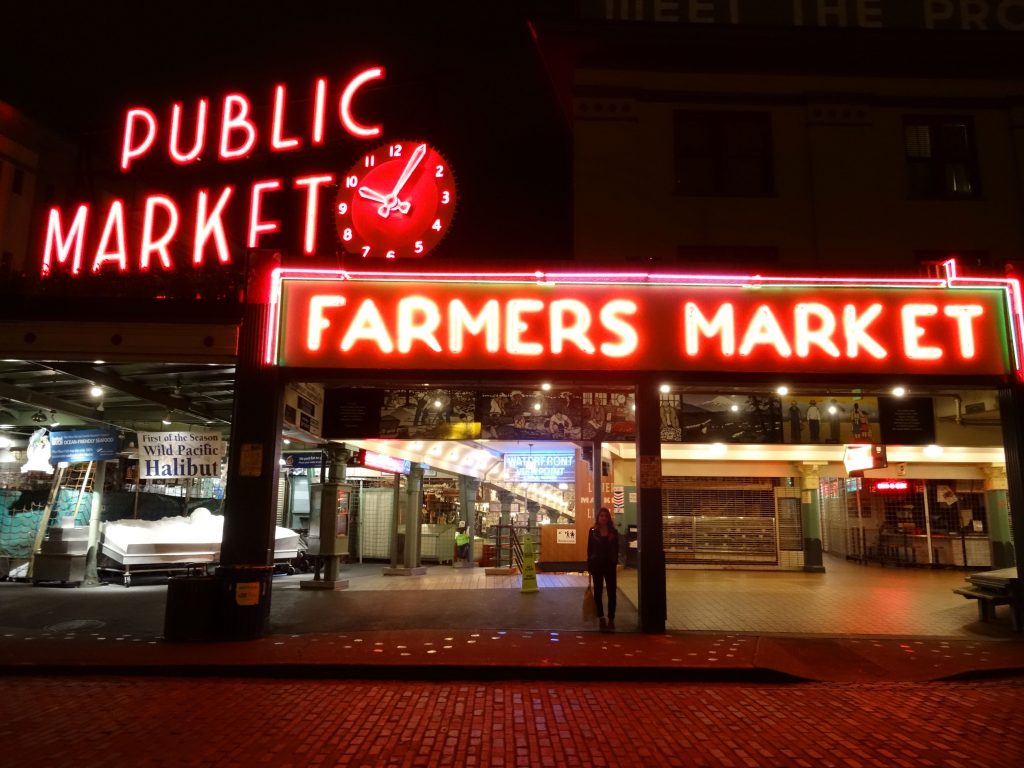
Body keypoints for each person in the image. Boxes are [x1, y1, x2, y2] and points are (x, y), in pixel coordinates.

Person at [587, 506, 620, 632]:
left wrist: (615, 561)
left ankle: (611, 617)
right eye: (601, 516)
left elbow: (617, 548)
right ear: (598, 517)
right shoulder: (593, 531)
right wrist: (589, 565)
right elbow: (589, 549)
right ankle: (601, 616)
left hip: (610, 565)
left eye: (605, 516)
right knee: (598, 592)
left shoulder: (614, 532)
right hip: (597, 565)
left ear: (608, 518)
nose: (603, 518)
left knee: (612, 592)